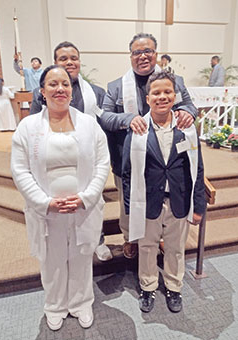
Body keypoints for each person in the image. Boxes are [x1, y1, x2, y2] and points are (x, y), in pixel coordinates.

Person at [11, 65, 110, 331]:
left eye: (65, 84)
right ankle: (54, 305)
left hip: (82, 208)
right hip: (47, 211)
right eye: (53, 84)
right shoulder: (28, 126)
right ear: (42, 91)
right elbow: (19, 169)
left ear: (71, 89)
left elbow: (103, 164)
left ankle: (81, 302)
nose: (60, 89)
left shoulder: (89, 124)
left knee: (80, 256)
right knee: (52, 259)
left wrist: (86, 197)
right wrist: (44, 202)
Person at [100, 32, 198, 259]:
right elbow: (104, 116)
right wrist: (127, 119)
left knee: (164, 198)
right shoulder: (115, 86)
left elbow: (191, 107)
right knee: (129, 199)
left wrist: (186, 112)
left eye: (148, 51)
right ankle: (131, 238)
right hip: (128, 157)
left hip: (166, 158)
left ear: (156, 54)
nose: (142, 56)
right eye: (137, 52)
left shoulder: (175, 82)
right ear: (130, 56)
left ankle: (161, 238)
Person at [122, 71, 206, 314]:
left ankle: (173, 286)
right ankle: (148, 287)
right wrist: (130, 208)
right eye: (156, 93)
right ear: (147, 98)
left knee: (175, 248)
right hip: (148, 201)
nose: (162, 96)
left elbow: (197, 169)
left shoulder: (186, 128)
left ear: (175, 96)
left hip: (179, 199)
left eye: (167, 92)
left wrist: (198, 205)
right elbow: (127, 173)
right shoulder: (137, 129)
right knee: (147, 246)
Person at [29, 41, 112, 261]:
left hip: (87, 158)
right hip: (56, 155)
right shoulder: (44, 94)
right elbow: (33, 126)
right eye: (63, 58)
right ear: (55, 62)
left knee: (93, 200)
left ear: (79, 61)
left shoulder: (95, 92)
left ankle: (98, 240)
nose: (70, 62)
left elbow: (104, 123)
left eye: (73, 58)